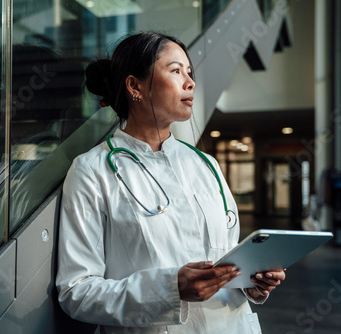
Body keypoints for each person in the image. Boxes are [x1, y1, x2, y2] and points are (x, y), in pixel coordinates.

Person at [56, 31, 286, 333]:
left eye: (189, 73)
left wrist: (254, 284)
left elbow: (228, 259)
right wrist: (169, 288)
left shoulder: (206, 165)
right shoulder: (92, 171)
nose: (190, 82)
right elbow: (77, 293)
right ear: (134, 86)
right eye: (176, 70)